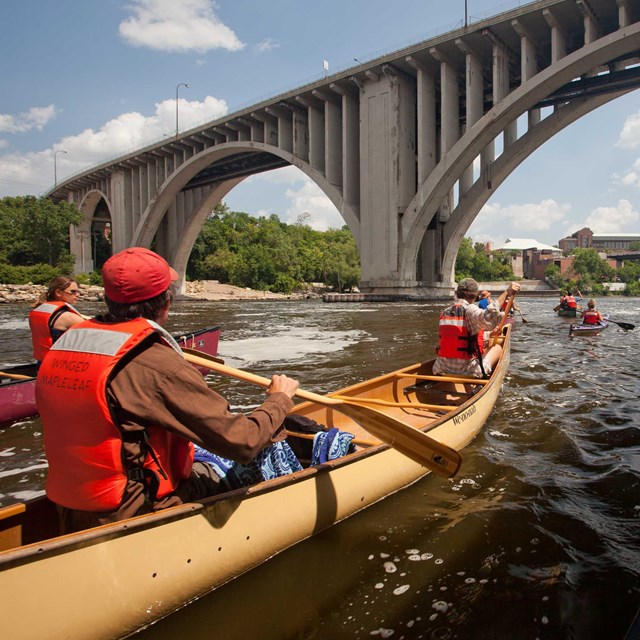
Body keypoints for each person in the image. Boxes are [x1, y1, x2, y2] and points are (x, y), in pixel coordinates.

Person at [36, 247, 299, 533]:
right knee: (265, 446)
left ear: (109, 299)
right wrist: (279, 400)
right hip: (134, 512)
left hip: (69, 506)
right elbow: (242, 442)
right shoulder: (156, 364)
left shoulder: (66, 345)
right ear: (165, 304)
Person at [433, 278, 520, 378]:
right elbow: (489, 316)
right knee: (498, 348)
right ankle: (493, 377)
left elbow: (460, 336)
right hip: (467, 371)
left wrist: (490, 335)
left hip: (441, 368)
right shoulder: (470, 309)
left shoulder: (445, 312)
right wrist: (506, 293)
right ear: (475, 296)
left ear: (457, 294)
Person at [29, 275, 85, 366]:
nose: (77, 295)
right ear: (58, 292)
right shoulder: (68, 317)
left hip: (42, 363)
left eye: (77, 291)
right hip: (60, 366)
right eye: (73, 292)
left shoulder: (38, 311)